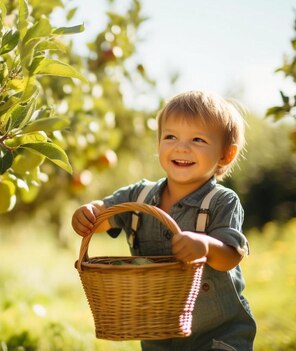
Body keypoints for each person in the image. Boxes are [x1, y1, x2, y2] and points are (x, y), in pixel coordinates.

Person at [72, 90, 256, 350]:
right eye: (170, 137)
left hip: (217, 333)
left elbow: (231, 257)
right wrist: (89, 213)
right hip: (157, 333)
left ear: (225, 155)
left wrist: (205, 246)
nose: (181, 147)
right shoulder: (140, 195)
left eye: (198, 139)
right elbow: (102, 217)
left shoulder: (221, 201)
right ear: (158, 143)